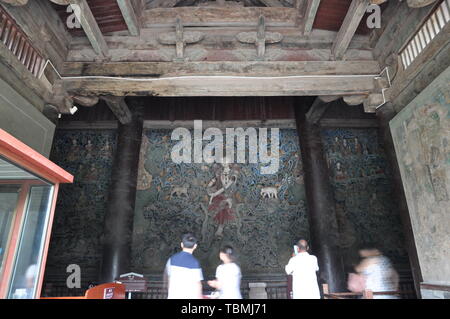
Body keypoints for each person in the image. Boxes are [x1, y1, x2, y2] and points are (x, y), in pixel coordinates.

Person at [165, 233, 204, 299]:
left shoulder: (171, 259)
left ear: (181, 245)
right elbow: (198, 284)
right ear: (195, 246)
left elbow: (168, 278)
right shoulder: (194, 263)